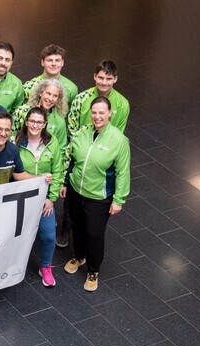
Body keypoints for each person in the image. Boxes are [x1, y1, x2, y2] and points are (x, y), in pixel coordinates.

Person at [63, 97, 131, 292]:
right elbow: (71, 161)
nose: (97, 116)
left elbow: (123, 172)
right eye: (94, 112)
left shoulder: (119, 140)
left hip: (99, 198)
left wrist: (118, 200)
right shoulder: (82, 133)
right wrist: (66, 183)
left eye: (102, 112)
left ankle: (93, 270)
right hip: (76, 190)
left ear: (110, 114)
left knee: (94, 233)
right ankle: (79, 256)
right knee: (77, 227)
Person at [15, 107, 65, 287]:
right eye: (32, 121)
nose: (35, 125)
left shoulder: (52, 143)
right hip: (21, 198)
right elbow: (14, 171)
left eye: (39, 122)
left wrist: (51, 198)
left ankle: (45, 267)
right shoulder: (17, 142)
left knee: (48, 235)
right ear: (26, 121)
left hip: (44, 199)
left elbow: (58, 172)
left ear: (44, 124)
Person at [0, 111, 50, 186]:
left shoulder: (13, 150)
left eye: (7, 130)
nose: (3, 133)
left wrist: (41, 178)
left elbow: (18, 175)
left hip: (5, 196)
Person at [67, 60, 130, 140]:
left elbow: (118, 134)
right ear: (95, 76)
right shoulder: (81, 99)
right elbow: (72, 129)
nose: (104, 82)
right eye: (101, 78)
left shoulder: (123, 104)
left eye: (109, 79)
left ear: (115, 79)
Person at [12, 78, 69, 154]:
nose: (50, 98)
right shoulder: (22, 111)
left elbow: (61, 148)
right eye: (48, 93)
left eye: (55, 96)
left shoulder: (59, 120)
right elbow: (11, 135)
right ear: (40, 93)